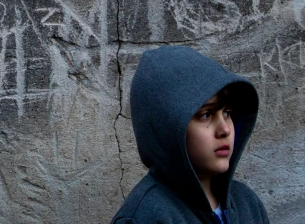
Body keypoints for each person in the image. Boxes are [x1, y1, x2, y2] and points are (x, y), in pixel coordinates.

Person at [110, 45, 269, 223]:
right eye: (206, 115)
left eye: (227, 112)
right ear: (168, 128)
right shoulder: (145, 218)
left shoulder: (247, 204)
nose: (225, 130)